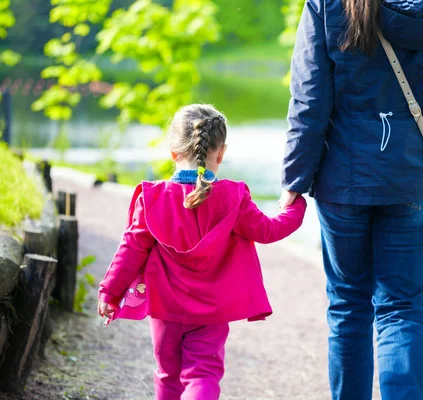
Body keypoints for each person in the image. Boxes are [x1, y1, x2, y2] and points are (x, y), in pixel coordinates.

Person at [279, 0, 423, 399]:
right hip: (411, 175)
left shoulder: (327, 4)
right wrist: (421, 101)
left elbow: (309, 99)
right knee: (401, 306)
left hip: (343, 180)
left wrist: (294, 179)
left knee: (348, 306)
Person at [97, 104, 307, 400]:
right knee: (203, 375)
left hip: (165, 307)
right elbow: (269, 231)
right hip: (211, 310)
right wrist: (296, 205)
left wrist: (110, 292)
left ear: (173, 152)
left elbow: (131, 247)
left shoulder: (153, 197)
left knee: (168, 376)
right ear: (220, 153)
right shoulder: (233, 197)